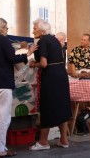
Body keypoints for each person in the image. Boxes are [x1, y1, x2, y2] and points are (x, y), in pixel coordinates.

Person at [0, 18, 37, 157]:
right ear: (2, 28)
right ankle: (1, 149)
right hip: (3, 84)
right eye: (6, 27)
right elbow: (12, 58)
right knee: (3, 117)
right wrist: (27, 54)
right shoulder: (3, 40)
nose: (7, 30)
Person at [29, 19, 72, 151]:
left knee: (47, 107)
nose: (33, 30)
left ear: (42, 30)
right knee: (61, 106)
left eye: (35, 28)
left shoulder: (42, 41)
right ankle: (64, 140)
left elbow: (43, 63)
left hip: (51, 76)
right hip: (61, 75)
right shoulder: (54, 40)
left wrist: (32, 63)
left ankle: (43, 142)